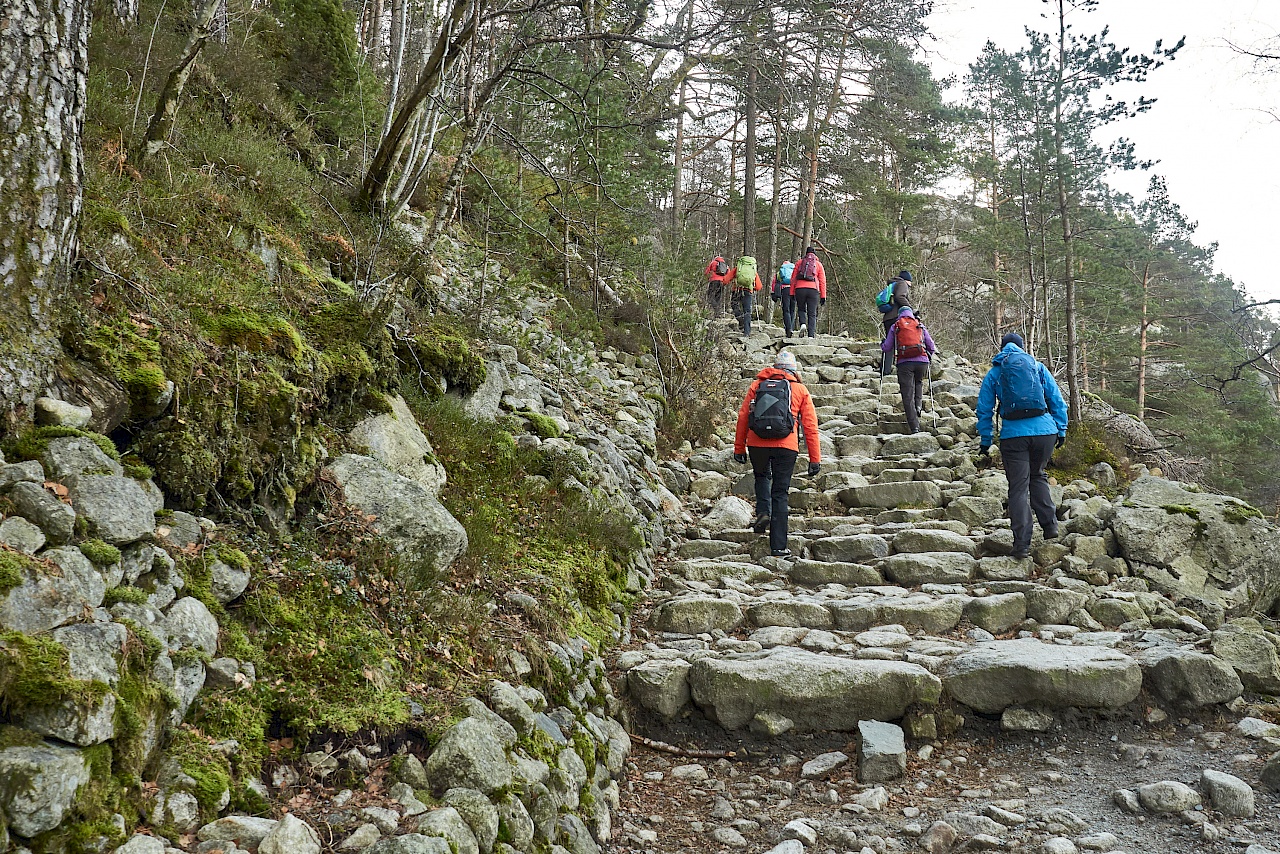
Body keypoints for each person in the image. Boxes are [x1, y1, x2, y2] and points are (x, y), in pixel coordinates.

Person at [976, 332, 1069, 560]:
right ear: (1021, 347)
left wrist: (986, 441)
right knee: (1038, 475)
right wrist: (1062, 429)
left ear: (1002, 348)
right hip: (1046, 431)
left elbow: (984, 409)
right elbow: (1056, 400)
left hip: (1013, 435)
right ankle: (1050, 527)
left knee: (1018, 487)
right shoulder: (1037, 367)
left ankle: (1021, 545)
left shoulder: (995, 373)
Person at [733, 350, 821, 557]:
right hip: (786, 445)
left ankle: (763, 511)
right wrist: (814, 458)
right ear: (793, 370)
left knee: (762, 476)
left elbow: (744, 417)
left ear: (774, 368)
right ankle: (779, 547)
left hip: (757, 443)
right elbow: (810, 426)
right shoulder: (799, 389)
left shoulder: (757, 386)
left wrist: (739, 447)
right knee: (780, 493)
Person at [880, 306, 936, 434]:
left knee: (907, 395)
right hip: (922, 362)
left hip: (904, 363)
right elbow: (931, 346)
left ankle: (914, 426)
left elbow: (887, 347)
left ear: (899, 314)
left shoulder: (896, 326)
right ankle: (918, 406)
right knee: (918, 382)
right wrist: (928, 355)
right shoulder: (919, 324)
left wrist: (882, 344)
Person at [789, 246, 826, 338]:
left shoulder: (799, 263)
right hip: (813, 289)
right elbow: (822, 281)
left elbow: (793, 279)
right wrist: (823, 296)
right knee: (812, 313)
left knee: (801, 309)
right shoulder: (818, 265)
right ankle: (811, 335)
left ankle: (802, 324)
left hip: (800, 289)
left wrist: (791, 293)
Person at [727, 257, 763, 335]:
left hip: (737, 290)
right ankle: (747, 332)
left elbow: (727, 279)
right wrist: (753, 288)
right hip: (748, 291)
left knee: (734, 305)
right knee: (747, 311)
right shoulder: (753, 271)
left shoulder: (738, 269)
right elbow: (759, 286)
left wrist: (723, 283)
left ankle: (741, 319)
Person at [771, 260, 798, 336]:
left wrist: (774, 293)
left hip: (785, 290)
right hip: (794, 290)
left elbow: (774, 283)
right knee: (792, 309)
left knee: (786, 310)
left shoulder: (780, 271)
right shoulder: (794, 270)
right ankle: (791, 328)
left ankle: (788, 328)